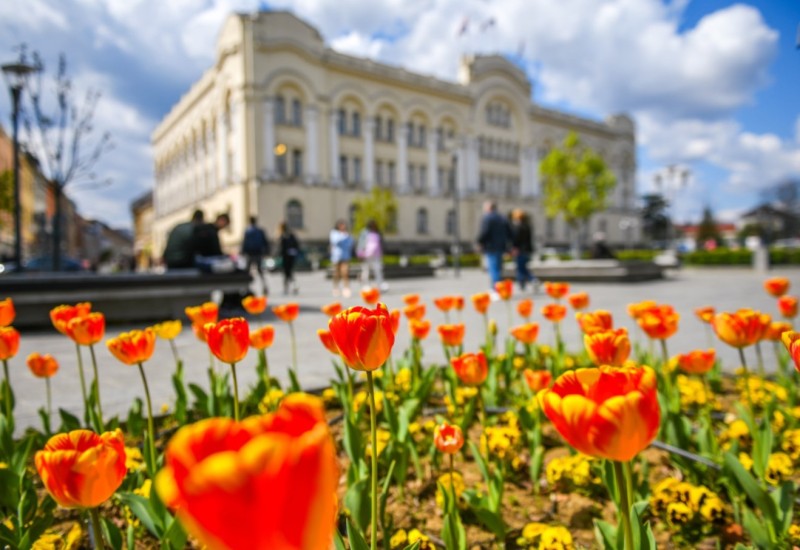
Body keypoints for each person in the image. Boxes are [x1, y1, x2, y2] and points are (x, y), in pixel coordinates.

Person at [476, 200, 511, 292]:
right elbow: (510, 233)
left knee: (493, 269)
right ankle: (499, 288)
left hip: (491, 247)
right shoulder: (502, 218)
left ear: (489, 208)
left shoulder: (487, 218)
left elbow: (484, 232)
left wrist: (480, 242)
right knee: (498, 268)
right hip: (501, 246)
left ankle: (496, 289)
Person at [242, 216, 271, 293]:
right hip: (258, 253)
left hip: (250, 254)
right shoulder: (260, 231)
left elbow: (245, 243)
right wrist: (267, 251)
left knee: (247, 272)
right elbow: (265, 242)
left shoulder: (248, 231)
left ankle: (245, 287)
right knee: (260, 271)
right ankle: (265, 287)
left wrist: (243, 252)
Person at [510, 209, 537, 292]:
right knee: (524, 267)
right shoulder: (527, 226)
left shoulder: (518, 227)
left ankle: (524, 283)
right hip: (527, 250)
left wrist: (514, 248)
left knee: (520, 268)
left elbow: (516, 239)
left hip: (520, 250)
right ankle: (532, 280)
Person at [357, 219, 386, 291]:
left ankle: (379, 285)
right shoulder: (364, 232)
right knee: (366, 270)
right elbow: (361, 243)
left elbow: (381, 243)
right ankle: (366, 285)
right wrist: (360, 253)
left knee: (378, 270)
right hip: (366, 255)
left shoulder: (378, 232)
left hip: (376, 255)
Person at [329, 219, 353, 297]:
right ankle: (335, 288)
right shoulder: (334, 233)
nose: (343, 227)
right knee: (336, 273)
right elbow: (335, 241)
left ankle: (346, 288)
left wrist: (345, 236)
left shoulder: (347, 234)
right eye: (341, 225)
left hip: (345, 256)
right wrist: (343, 236)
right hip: (336, 256)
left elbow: (350, 243)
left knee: (345, 272)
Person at [278, 221, 301, 295]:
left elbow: (281, 247)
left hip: (285, 256)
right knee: (290, 272)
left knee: (286, 273)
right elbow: (297, 244)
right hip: (292, 255)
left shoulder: (283, 235)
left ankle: (286, 288)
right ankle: (293, 286)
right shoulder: (291, 234)